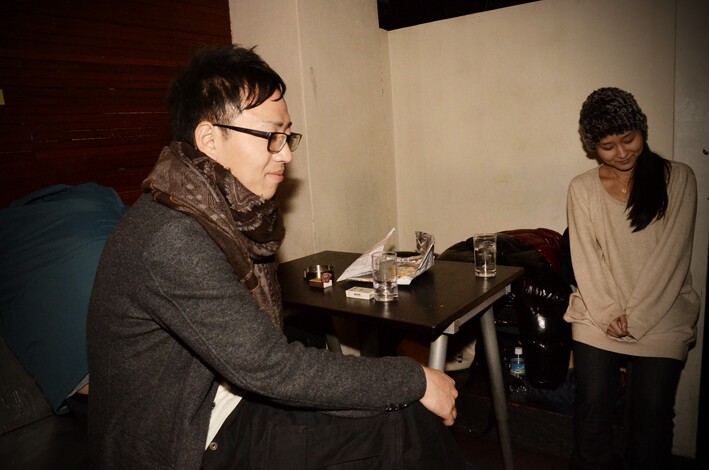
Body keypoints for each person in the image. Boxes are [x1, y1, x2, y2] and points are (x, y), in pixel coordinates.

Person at [87, 44, 467, 469]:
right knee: (405, 422)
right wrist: (414, 378)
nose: (285, 153)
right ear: (210, 140)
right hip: (179, 441)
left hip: (220, 399)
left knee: (382, 405)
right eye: (271, 136)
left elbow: (259, 357)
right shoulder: (172, 236)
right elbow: (269, 367)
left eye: (287, 137)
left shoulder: (216, 209)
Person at [564, 87, 700, 469]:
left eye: (629, 139)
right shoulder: (581, 188)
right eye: (608, 146)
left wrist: (637, 318)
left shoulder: (679, 179)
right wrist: (608, 311)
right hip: (597, 310)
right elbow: (585, 258)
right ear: (592, 147)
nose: (622, 152)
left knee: (651, 416)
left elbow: (672, 258)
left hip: (663, 312)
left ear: (642, 130)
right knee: (591, 409)